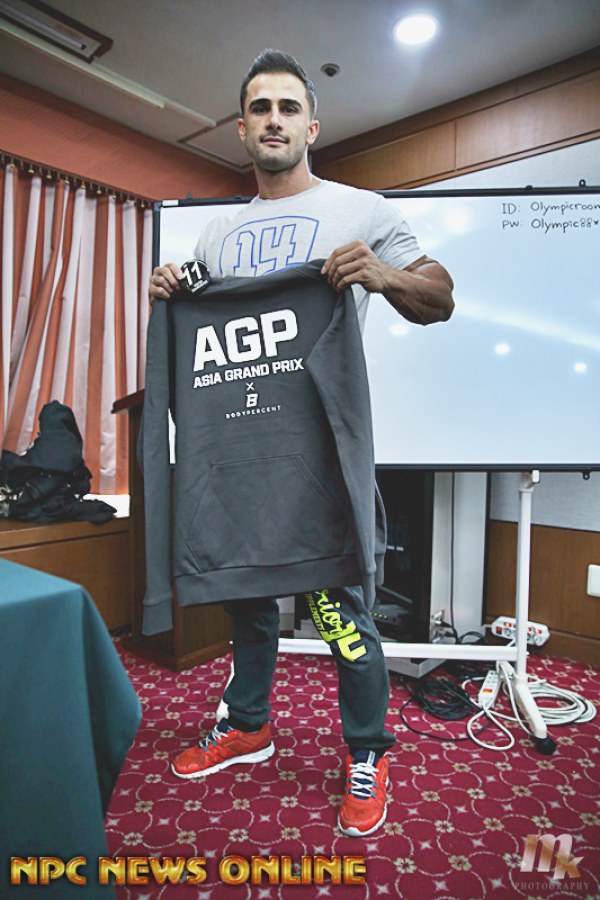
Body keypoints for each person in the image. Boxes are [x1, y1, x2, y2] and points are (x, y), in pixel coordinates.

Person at [148, 49, 454, 838]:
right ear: (242, 128)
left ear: (312, 126)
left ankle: (368, 750)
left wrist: (384, 276)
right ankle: (248, 725)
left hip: (319, 460)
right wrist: (173, 290)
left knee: (339, 614)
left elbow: (440, 296)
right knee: (250, 605)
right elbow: (203, 332)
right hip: (241, 459)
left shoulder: (362, 210)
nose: (274, 120)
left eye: (289, 107)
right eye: (261, 108)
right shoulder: (218, 235)